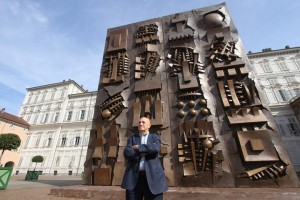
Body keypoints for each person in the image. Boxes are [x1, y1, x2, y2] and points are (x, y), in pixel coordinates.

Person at [121, 117, 168, 200]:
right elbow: (127, 152)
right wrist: (143, 152)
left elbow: (155, 149)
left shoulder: (155, 137)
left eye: (143, 122)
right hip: (134, 179)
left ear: (149, 125)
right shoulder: (132, 138)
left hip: (153, 178)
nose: (140, 124)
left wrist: (138, 147)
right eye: (139, 122)